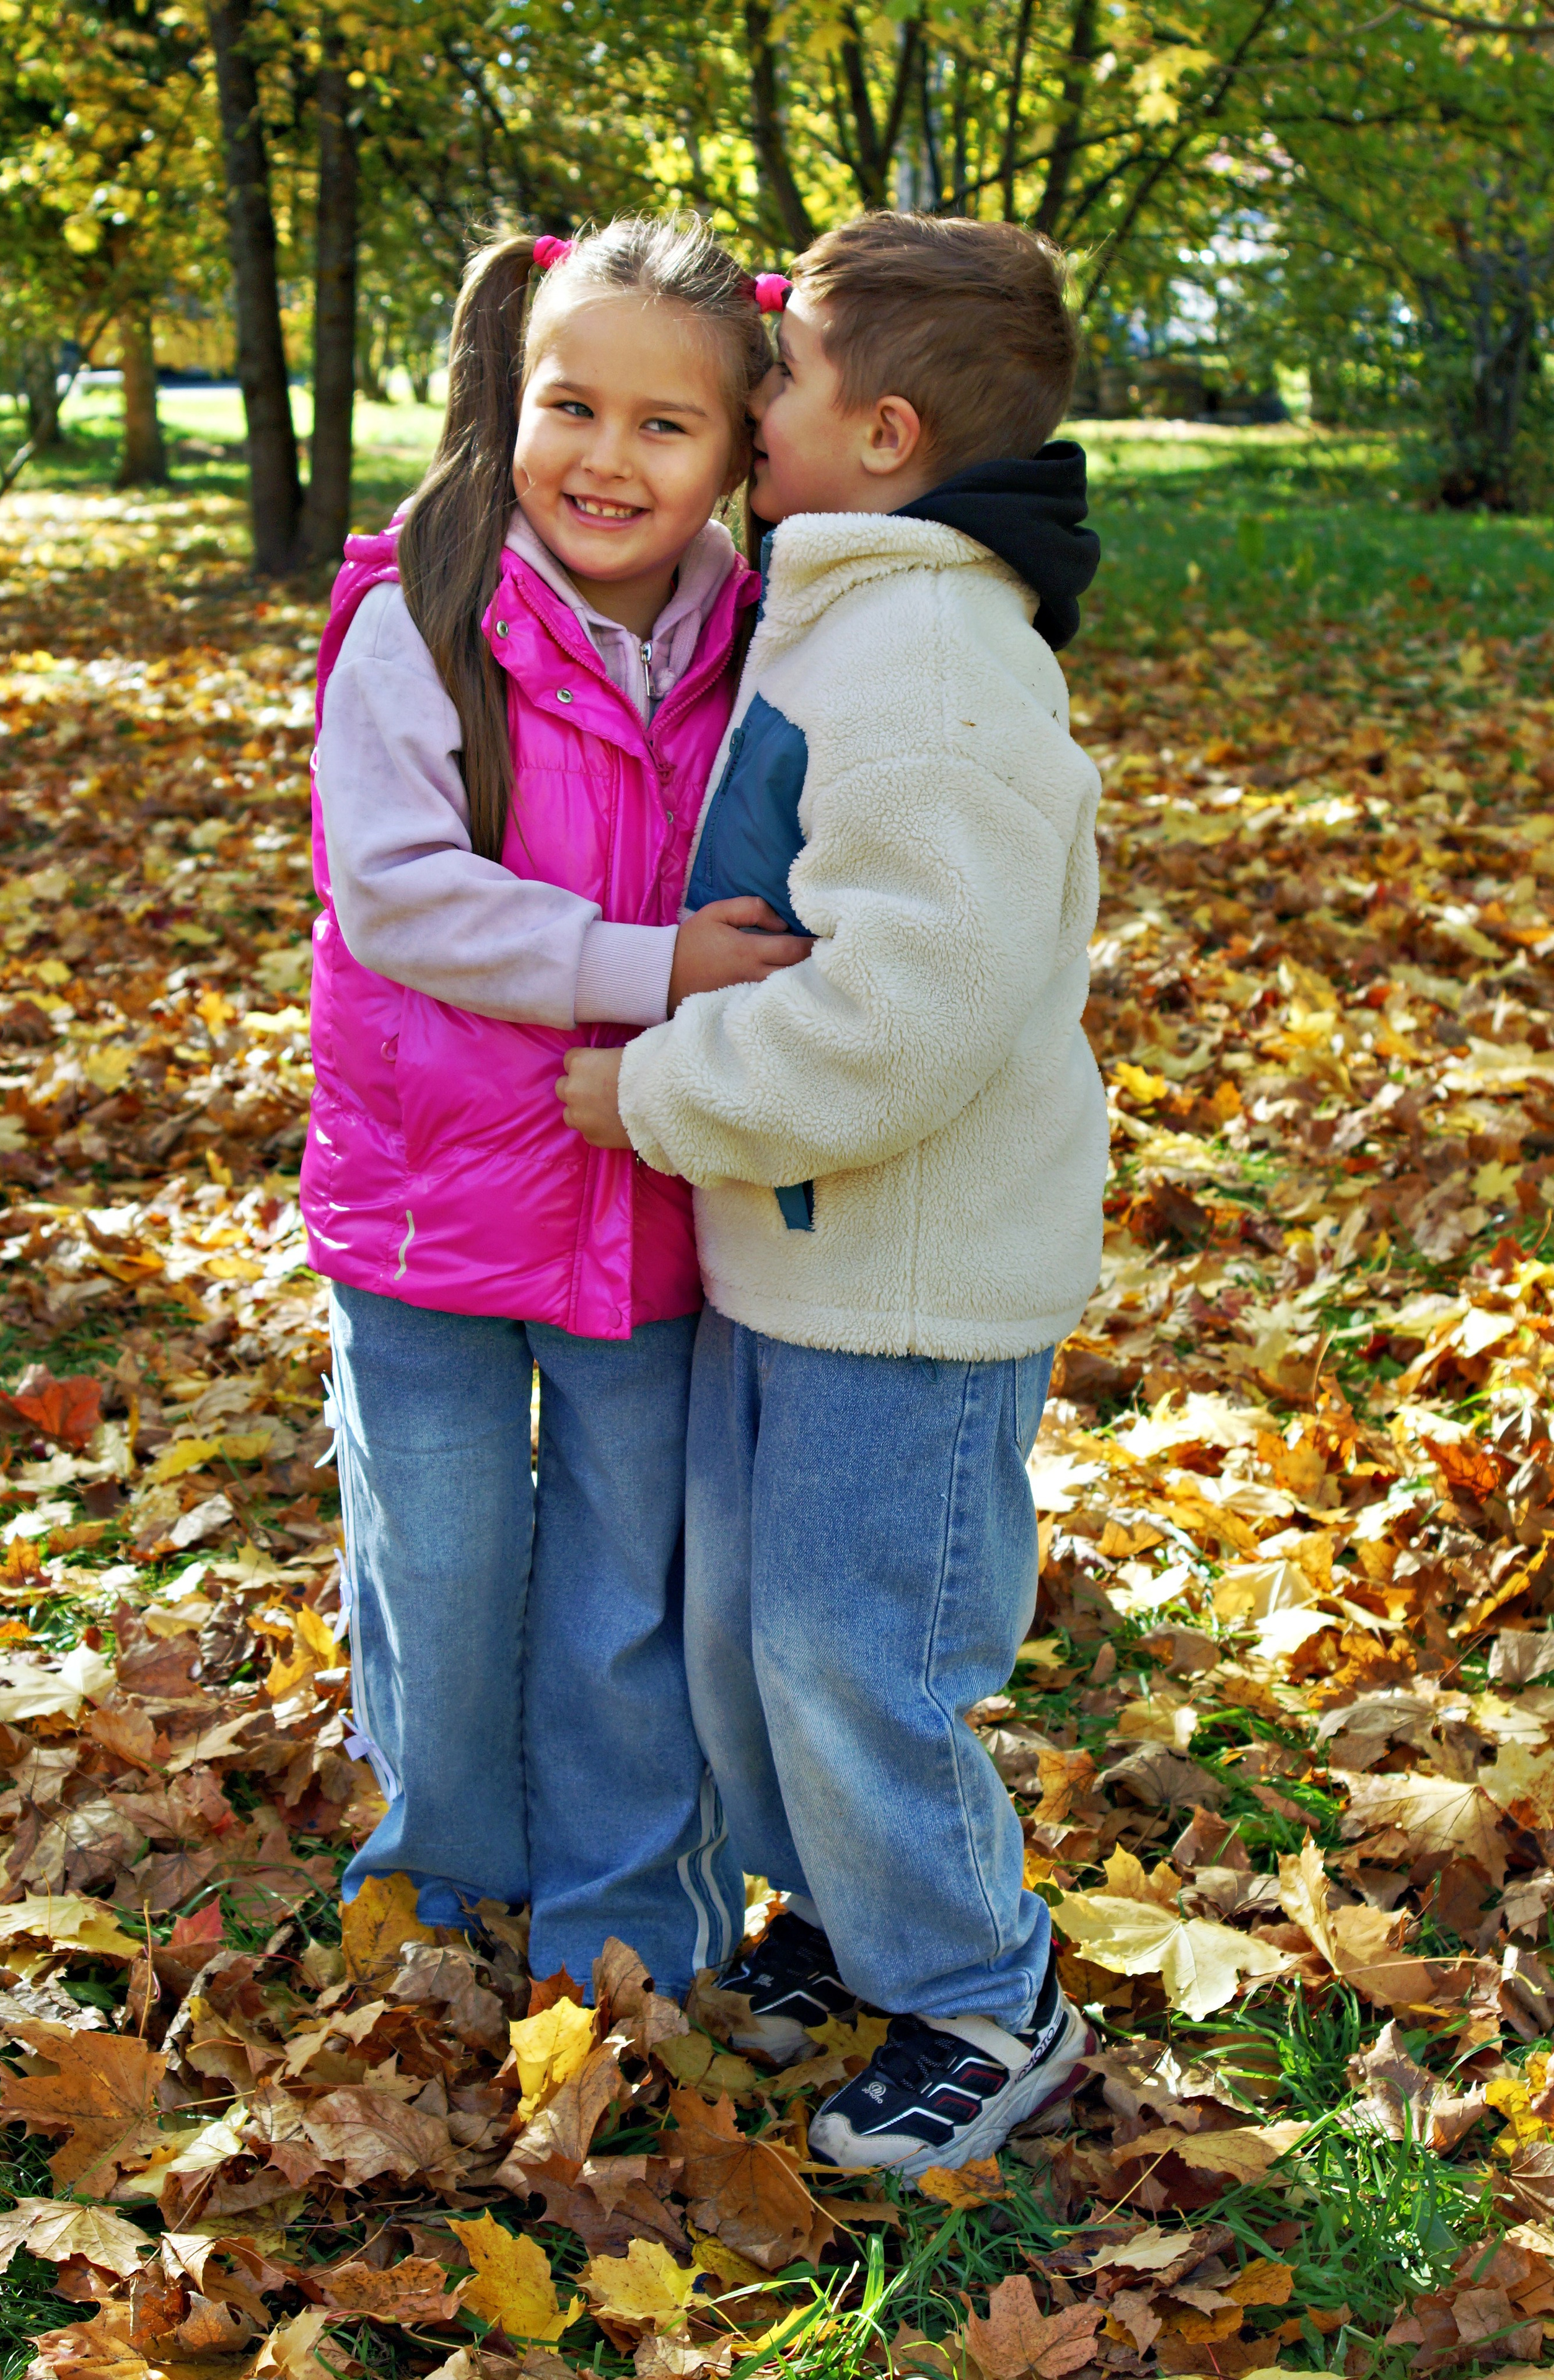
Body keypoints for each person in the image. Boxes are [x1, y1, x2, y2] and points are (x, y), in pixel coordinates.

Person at [557, 211, 1106, 2169]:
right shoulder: (845, 602)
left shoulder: (944, 659)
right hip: (793, 1261)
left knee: (857, 1644)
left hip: (908, 1285)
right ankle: (844, 1921)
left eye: (772, 375)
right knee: (751, 1633)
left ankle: (982, 1989)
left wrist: (660, 1091)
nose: (747, 398)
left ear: (877, 431)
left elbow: (907, 1014)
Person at [303, 216, 812, 1997]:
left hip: (652, 1200)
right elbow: (403, 897)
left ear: (744, 450)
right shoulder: (423, 615)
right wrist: (653, 965)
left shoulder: (766, 642)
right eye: (570, 405)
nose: (608, 457)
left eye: (666, 426)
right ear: (509, 396)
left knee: (625, 1605)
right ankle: (436, 1888)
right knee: (439, 1569)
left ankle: (622, 1936)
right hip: (433, 1204)